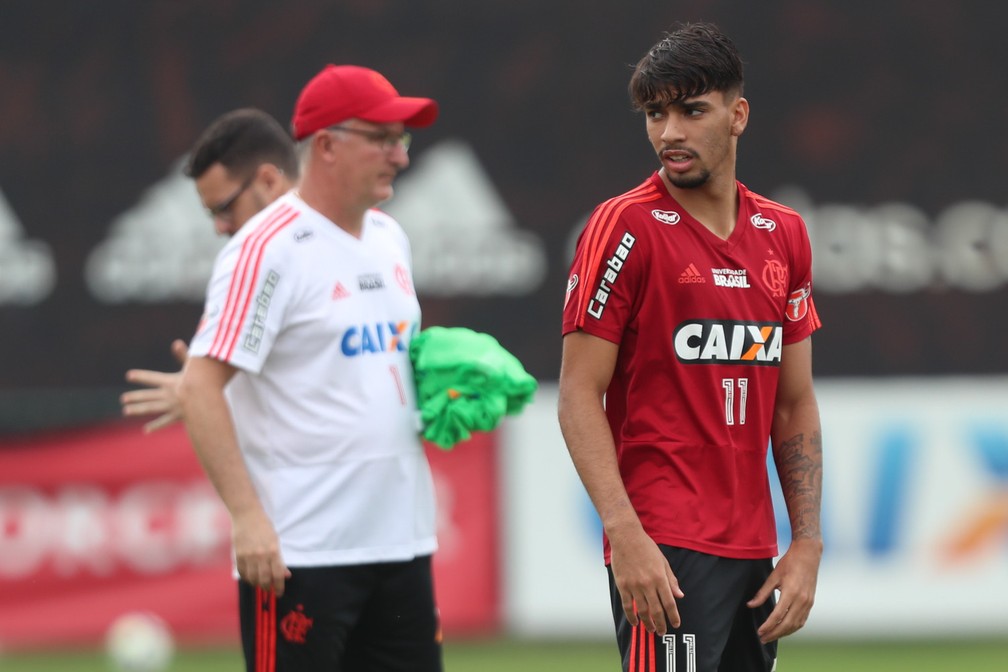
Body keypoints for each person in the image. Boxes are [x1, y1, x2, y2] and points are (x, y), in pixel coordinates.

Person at [558, 22, 823, 672]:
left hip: (754, 556)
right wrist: (626, 536)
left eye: (690, 110)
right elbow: (577, 393)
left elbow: (793, 403)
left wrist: (808, 542)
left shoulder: (783, 234)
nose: (669, 132)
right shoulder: (624, 227)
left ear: (738, 116)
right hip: (666, 550)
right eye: (655, 113)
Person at [176, 65, 442, 671]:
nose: (398, 156)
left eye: (401, 139)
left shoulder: (390, 237)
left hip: (402, 542)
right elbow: (201, 386)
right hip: (302, 553)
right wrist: (247, 520)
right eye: (381, 138)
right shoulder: (264, 248)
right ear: (326, 144)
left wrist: (444, 391)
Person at [120, 108, 299, 433]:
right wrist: (203, 392)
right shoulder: (250, 257)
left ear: (270, 180)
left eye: (226, 208)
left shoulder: (380, 235)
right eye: (213, 214)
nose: (219, 227)